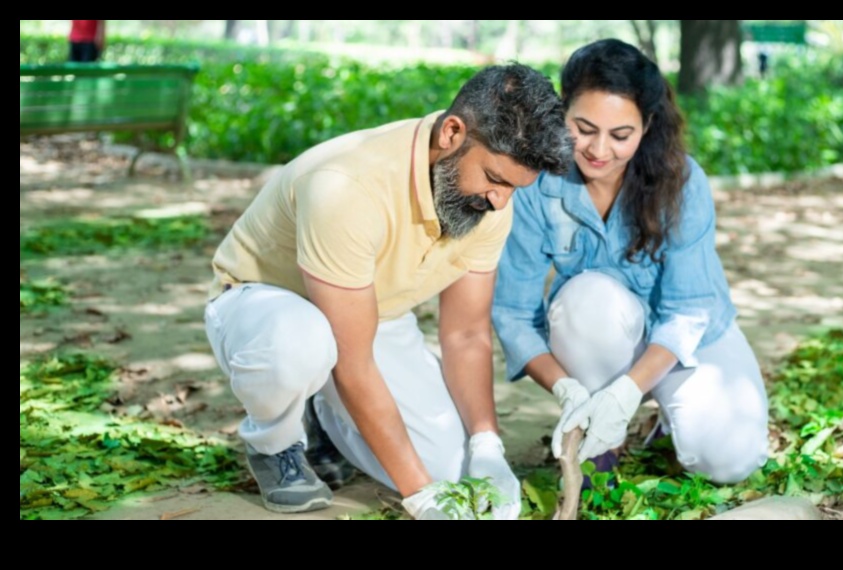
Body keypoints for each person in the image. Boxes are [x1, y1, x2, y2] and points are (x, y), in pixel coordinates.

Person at [204, 63, 572, 519]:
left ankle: (322, 414)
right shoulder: (347, 188)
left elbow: (466, 334)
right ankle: (276, 444)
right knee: (301, 345)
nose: (500, 201)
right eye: (496, 180)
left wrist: (486, 443)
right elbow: (354, 363)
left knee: (451, 471)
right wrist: (419, 498)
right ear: (452, 133)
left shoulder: (492, 200)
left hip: (372, 312)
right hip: (266, 306)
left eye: (514, 188)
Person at [492, 39, 769, 486]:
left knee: (731, 462)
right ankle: (603, 443)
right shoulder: (535, 183)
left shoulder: (681, 182)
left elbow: (687, 310)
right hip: (603, 331)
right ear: (561, 113)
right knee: (586, 297)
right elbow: (513, 313)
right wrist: (569, 389)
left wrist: (626, 393)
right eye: (583, 127)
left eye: (621, 135)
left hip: (689, 338)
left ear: (648, 126)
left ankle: (657, 415)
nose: (599, 150)